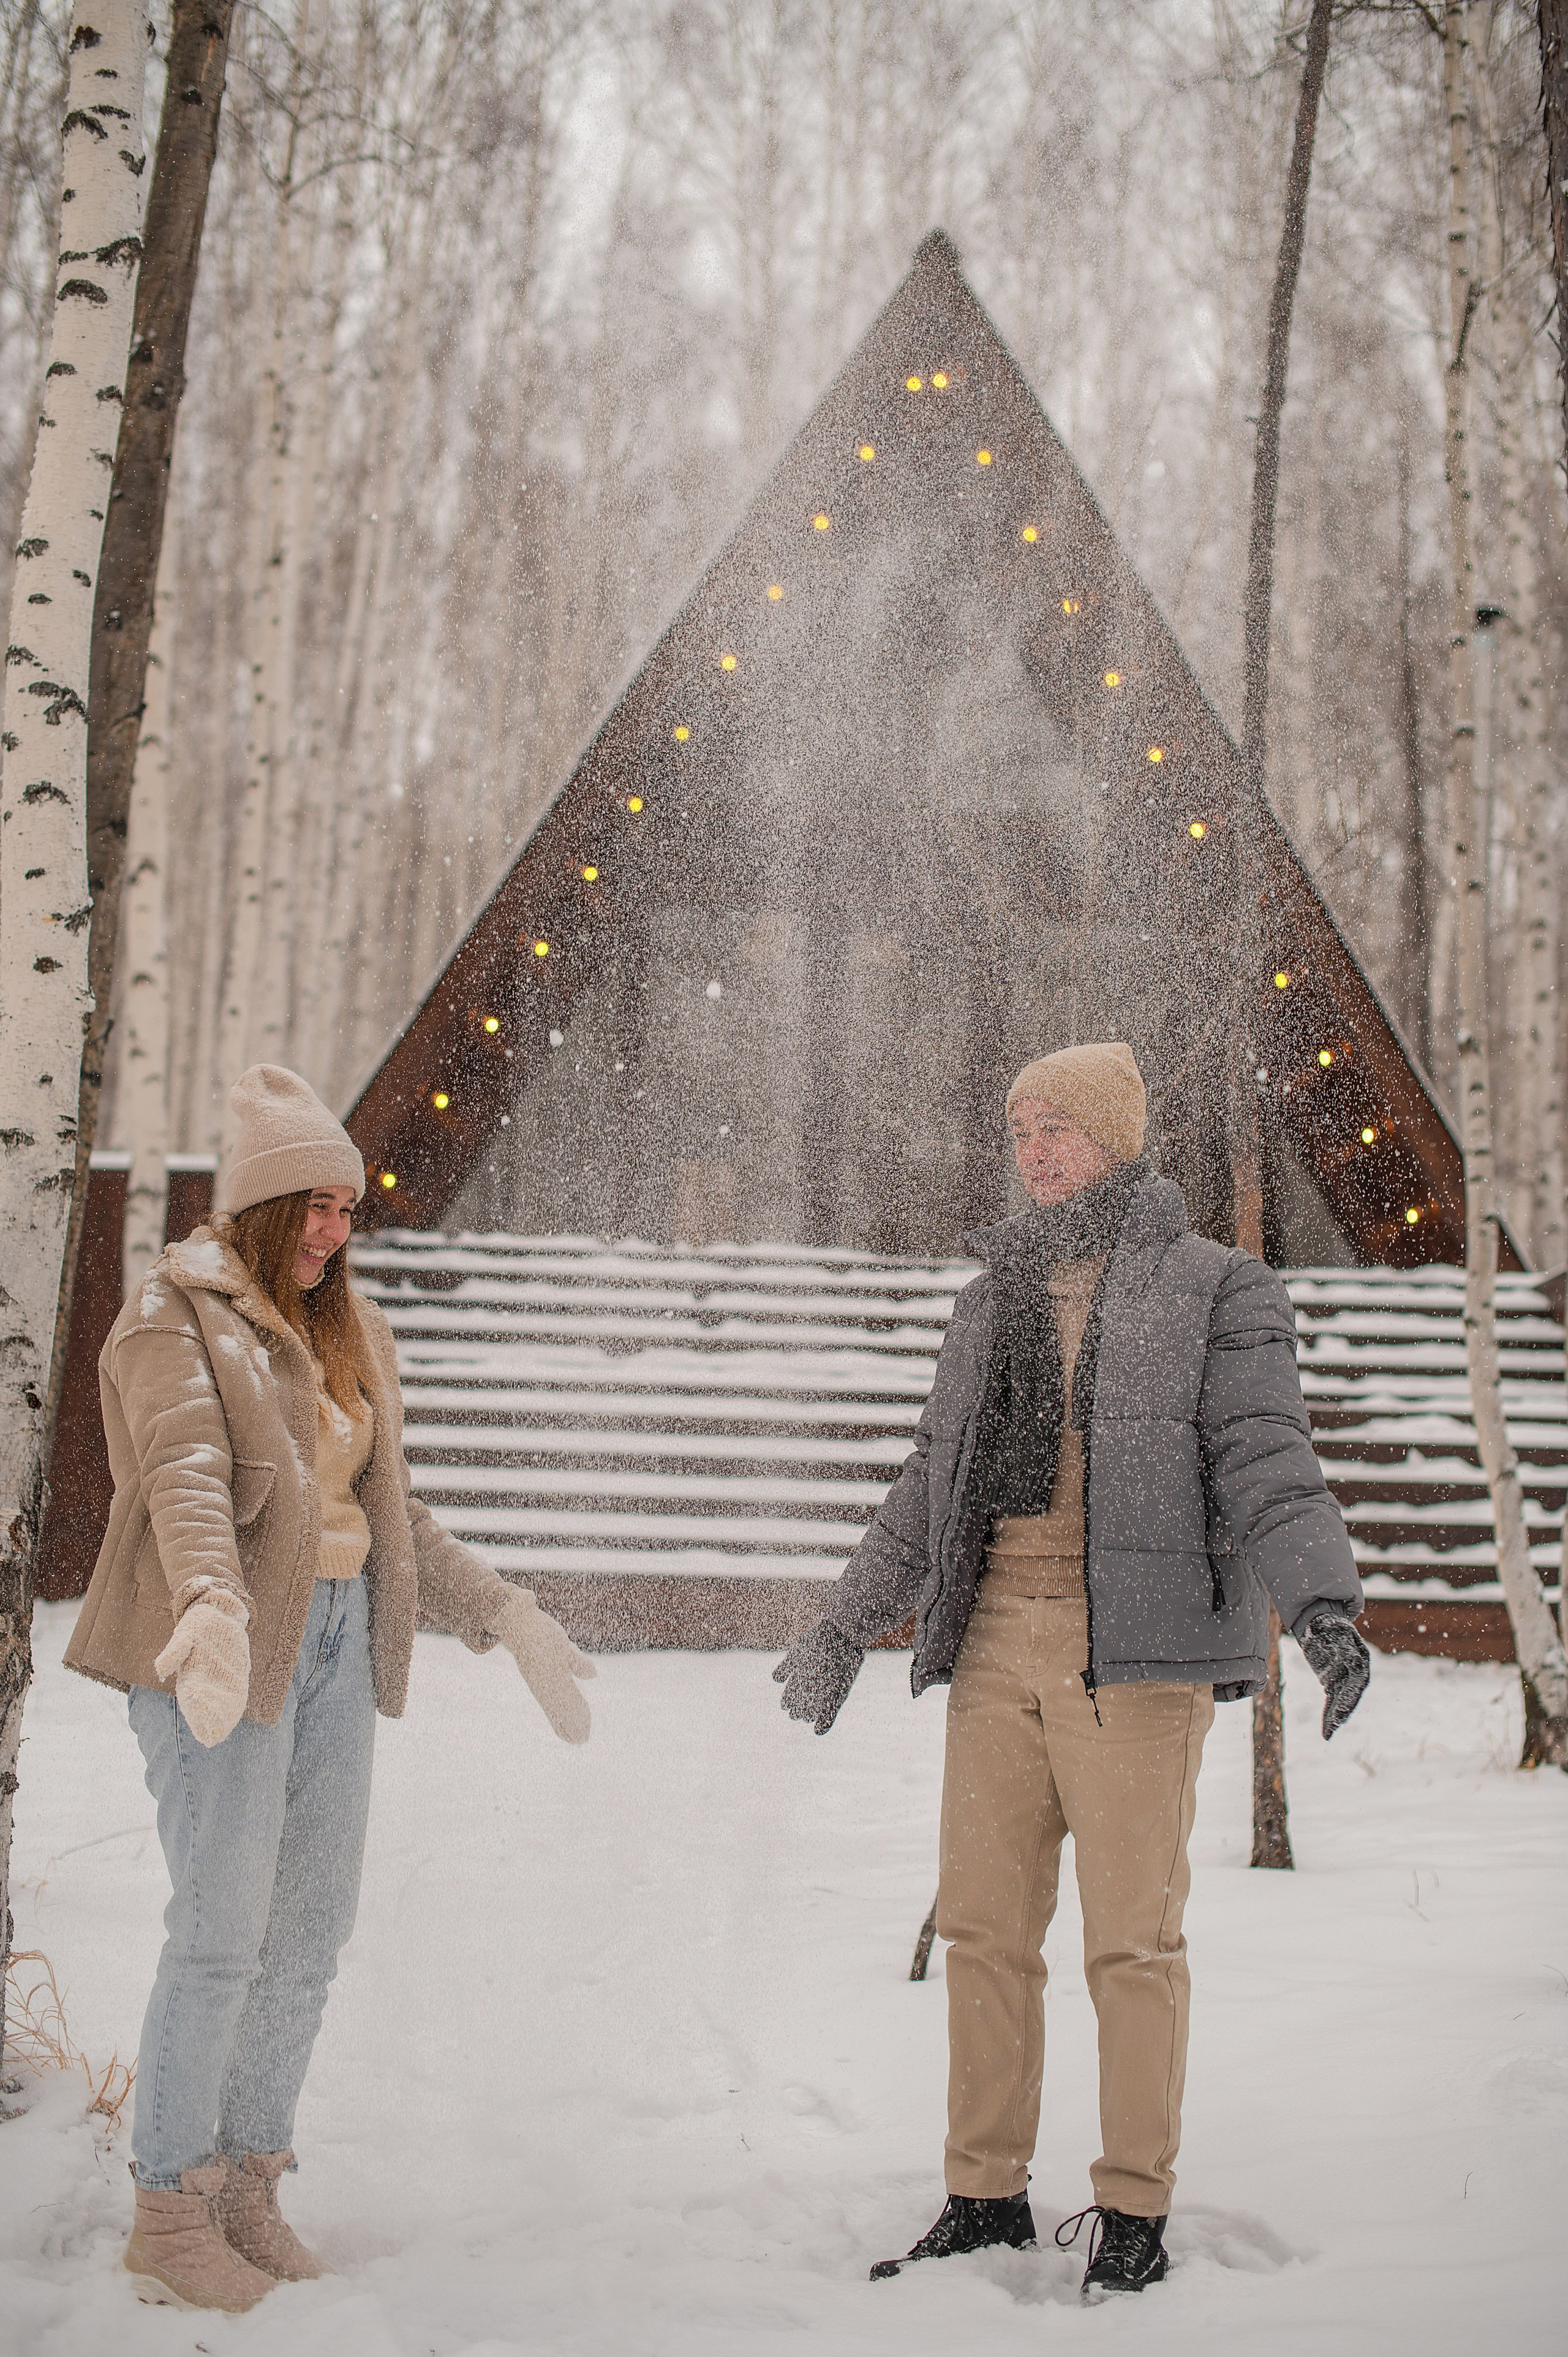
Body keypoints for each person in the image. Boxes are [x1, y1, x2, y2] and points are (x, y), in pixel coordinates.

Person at [773, 1043, 1370, 2301]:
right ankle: (982, 2194)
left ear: (1116, 1136)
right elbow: (931, 1480)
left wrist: (1322, 1606)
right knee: (984, 1932)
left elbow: (1267, 1457)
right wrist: (842, 1627)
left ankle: (1133, 2209)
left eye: (1057, 1126)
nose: (1033, 1150)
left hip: (1134, 1659)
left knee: (1131, 1946)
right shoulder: (991, 1295)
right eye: (1020, 1129)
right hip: (994, 1642)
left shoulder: (1217, 1287)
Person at [65, 1065, 596, 2314]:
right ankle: (168, 2208)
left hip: (337, 1645)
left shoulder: (351, 1333)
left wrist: (502, 1612)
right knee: (221, 1931)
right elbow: (184, 1473)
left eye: (347, 1210)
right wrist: (208, 1607)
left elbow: (388, 1513)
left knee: (308, 1932)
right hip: (218, 1645)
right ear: (261, 1204)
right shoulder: (172, 1315)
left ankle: (249, 2181)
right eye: (315, 1205)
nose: (335, 1231)